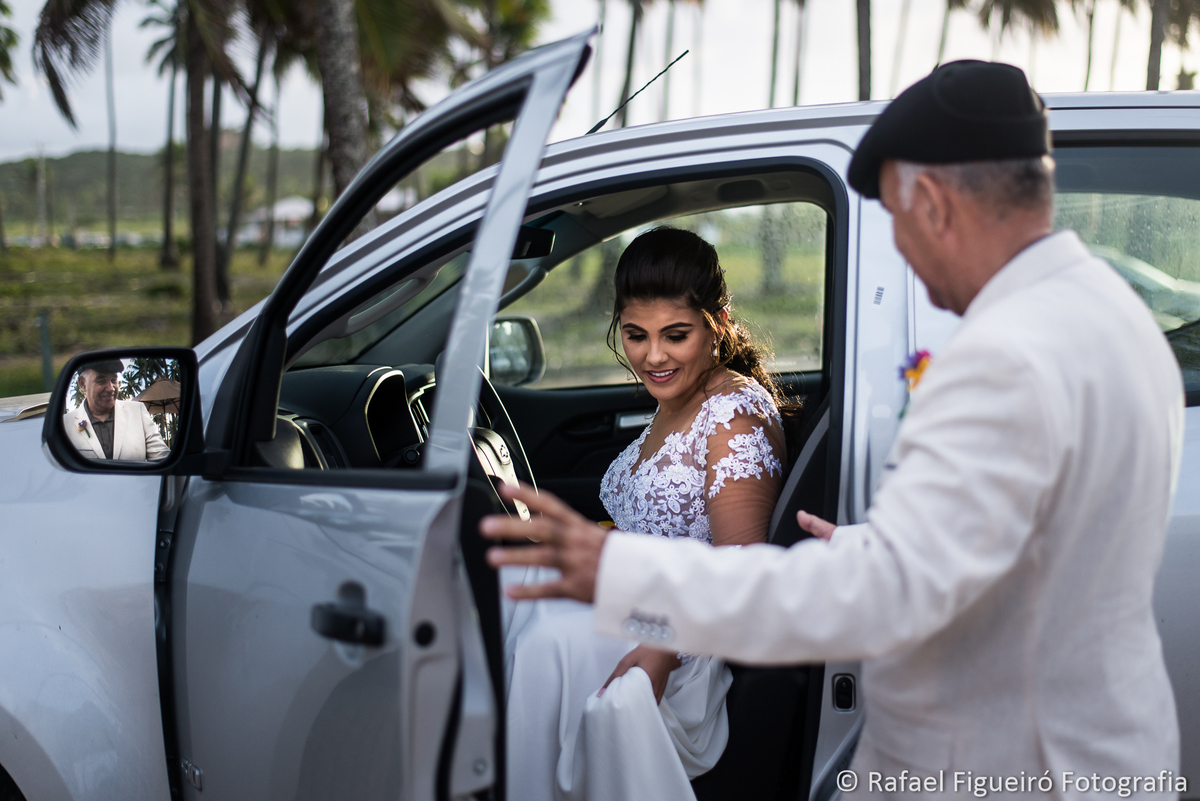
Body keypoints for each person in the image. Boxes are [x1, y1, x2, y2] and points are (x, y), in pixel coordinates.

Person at [484, 61, 1185, 797]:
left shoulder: (1000, 359)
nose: (902, 260)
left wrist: (621, 572)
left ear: (935, 203)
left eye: (899, 226)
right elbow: (1038, 544)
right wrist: (875, 545)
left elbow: (880, 597)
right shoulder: (1117, 316)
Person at [502, 227, 786, 801]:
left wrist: (661, 648)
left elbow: (743, 572)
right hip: (639, 598)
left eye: (675, 335)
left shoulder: (730, 417)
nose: (653, 357)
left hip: (687, 647)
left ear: (719, 322)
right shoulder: (678, 398)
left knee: (545, 643)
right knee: (506, 580)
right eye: (636, 336)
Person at [63, 359, 171, 461]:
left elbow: (162, 458)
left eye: (113, 380)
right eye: (101, 381)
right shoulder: (65, 424)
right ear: (83, 384)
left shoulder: (137, 412)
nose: (110, 388)